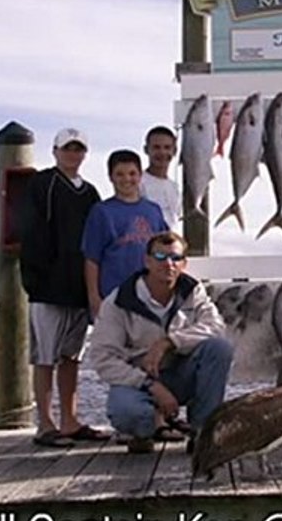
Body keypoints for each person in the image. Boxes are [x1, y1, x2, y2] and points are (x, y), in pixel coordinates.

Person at [88, 232, 233, 454]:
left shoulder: (193, 292)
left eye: (175, 258)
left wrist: (169, 342)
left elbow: (216, 327)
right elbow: (103, 359)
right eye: (159, 256)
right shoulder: (119, 301)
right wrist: (150, 385)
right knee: (126, 412)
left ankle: (202, 432)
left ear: (184, 264)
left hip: (181, 374)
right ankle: (144, 430)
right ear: (146, 261)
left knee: (219, 349)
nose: (168, 264)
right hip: (139, 382)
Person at [20, 127, 108, 448]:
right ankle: (45, 424)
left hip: (78, 290)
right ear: (55, 151)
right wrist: (36, 279)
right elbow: (30, 233)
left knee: (71, 357)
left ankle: (70, 421)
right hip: (46, 290)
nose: (73, 154)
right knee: (44, 357)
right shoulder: (42, 183)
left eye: (78, 149)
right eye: (67, 148)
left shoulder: (90, 192)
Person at [82, 150, 169, 321]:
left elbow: (165, 251)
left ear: (140, 175)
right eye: (119, 174)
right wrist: (94, 298)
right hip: (113, 297)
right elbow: (91, 259)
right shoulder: (101, 212)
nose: (126, 179)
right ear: (110, 177)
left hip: (149, 297)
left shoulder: (153, 210)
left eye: (132, 173)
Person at [140, 126, 182, 234]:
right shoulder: (138, 183)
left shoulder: (174, 187)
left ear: (175, 151)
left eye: (167, 147)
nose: (162, 152)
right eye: (156, 147)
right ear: (146, 150)